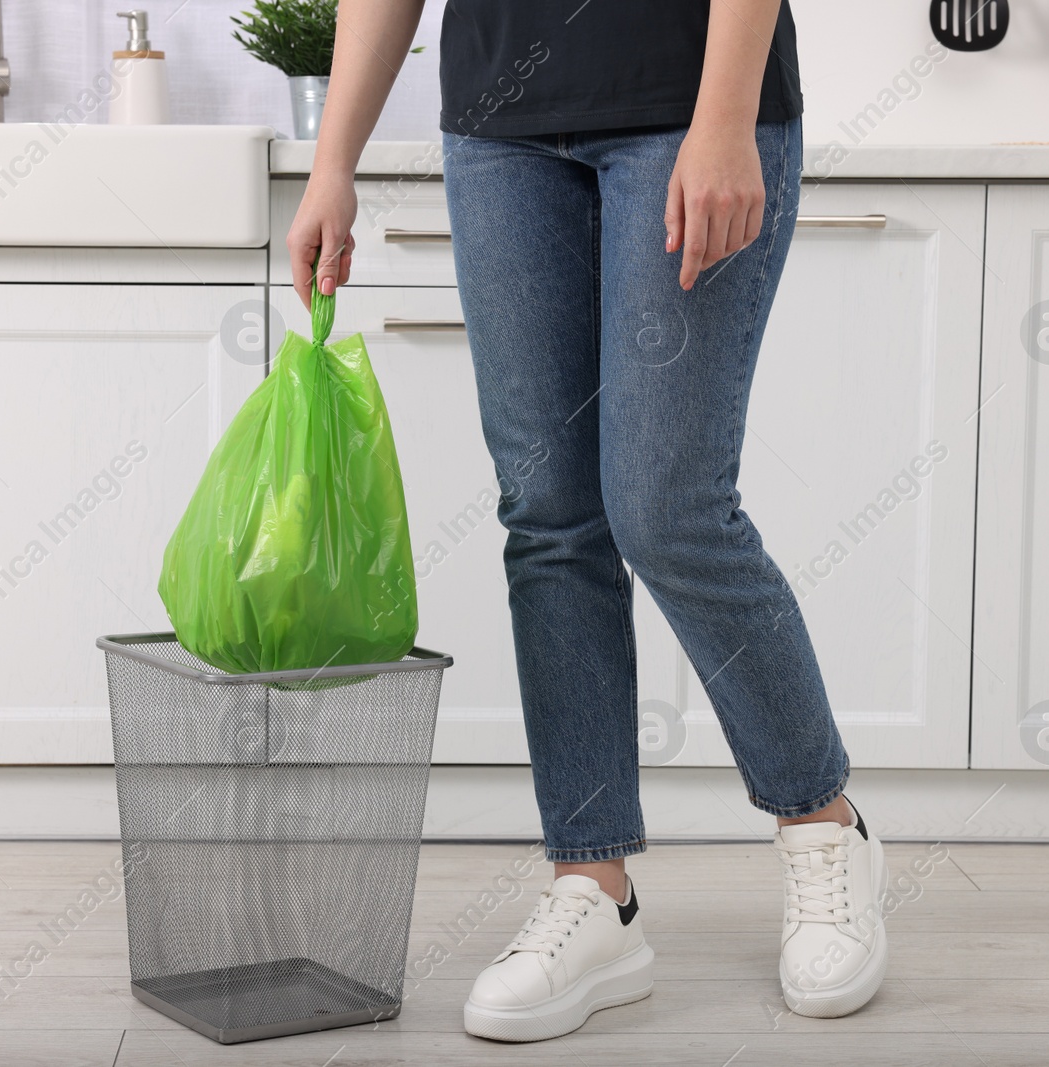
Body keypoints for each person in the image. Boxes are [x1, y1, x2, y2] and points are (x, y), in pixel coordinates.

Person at [287, 0, 890, 1041]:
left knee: (668, 508)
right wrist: (332, 157)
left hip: (683, 108)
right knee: (549, 516)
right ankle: (591, 881)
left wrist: (726, 115)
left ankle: (821, 824)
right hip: (499, 130)